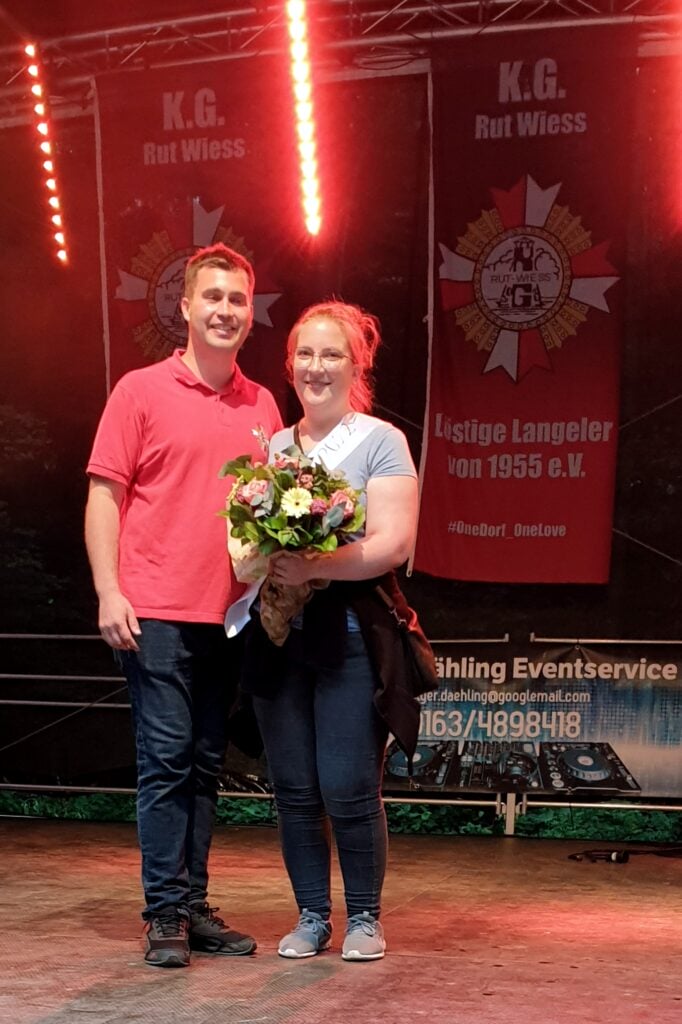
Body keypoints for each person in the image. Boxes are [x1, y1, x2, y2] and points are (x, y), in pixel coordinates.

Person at [84, 243, 282, 968]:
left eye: (237, 299)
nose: (225, 310)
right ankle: (164, 912)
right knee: (165, 760)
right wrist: (109, 589)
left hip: (230, 615)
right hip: (155, 609)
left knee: (202, 764)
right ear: (186, 307)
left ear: (250, 312)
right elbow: (104, 495)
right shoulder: (139, 391)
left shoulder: (261, 403)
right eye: (214, 298)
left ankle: (192, 904)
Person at [242, 300, 421, 962]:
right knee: (293, 788)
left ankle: (366, 918)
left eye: (331, 354)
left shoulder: (380, 441)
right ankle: (313, 915)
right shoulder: (273, 447)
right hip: (281, 634)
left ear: (357, 364)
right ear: (290, 365)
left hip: (348, 631)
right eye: (305, 355)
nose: (316, 368)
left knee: (348, 784)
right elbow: (247, 541)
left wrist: (316, 561)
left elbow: (391, 545)